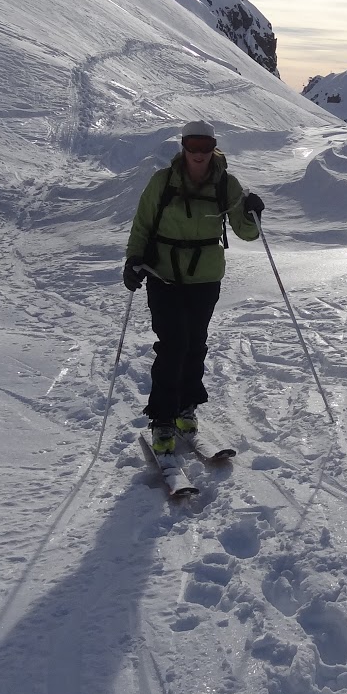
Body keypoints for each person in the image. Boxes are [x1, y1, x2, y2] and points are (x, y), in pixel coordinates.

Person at [123, 120, 264, 454]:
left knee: (195, 344)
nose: (199, 153)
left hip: (205, 278)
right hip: (163, 275)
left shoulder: (225, 184)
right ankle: (162, 418)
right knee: (174, 344)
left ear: (213, 146)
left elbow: (245, 233)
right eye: (192, 145)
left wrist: (252, 212)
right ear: (183, 146)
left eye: (205, 146)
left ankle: (186, 406)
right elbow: (142, 224)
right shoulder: (163, 181)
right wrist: (133, 260)